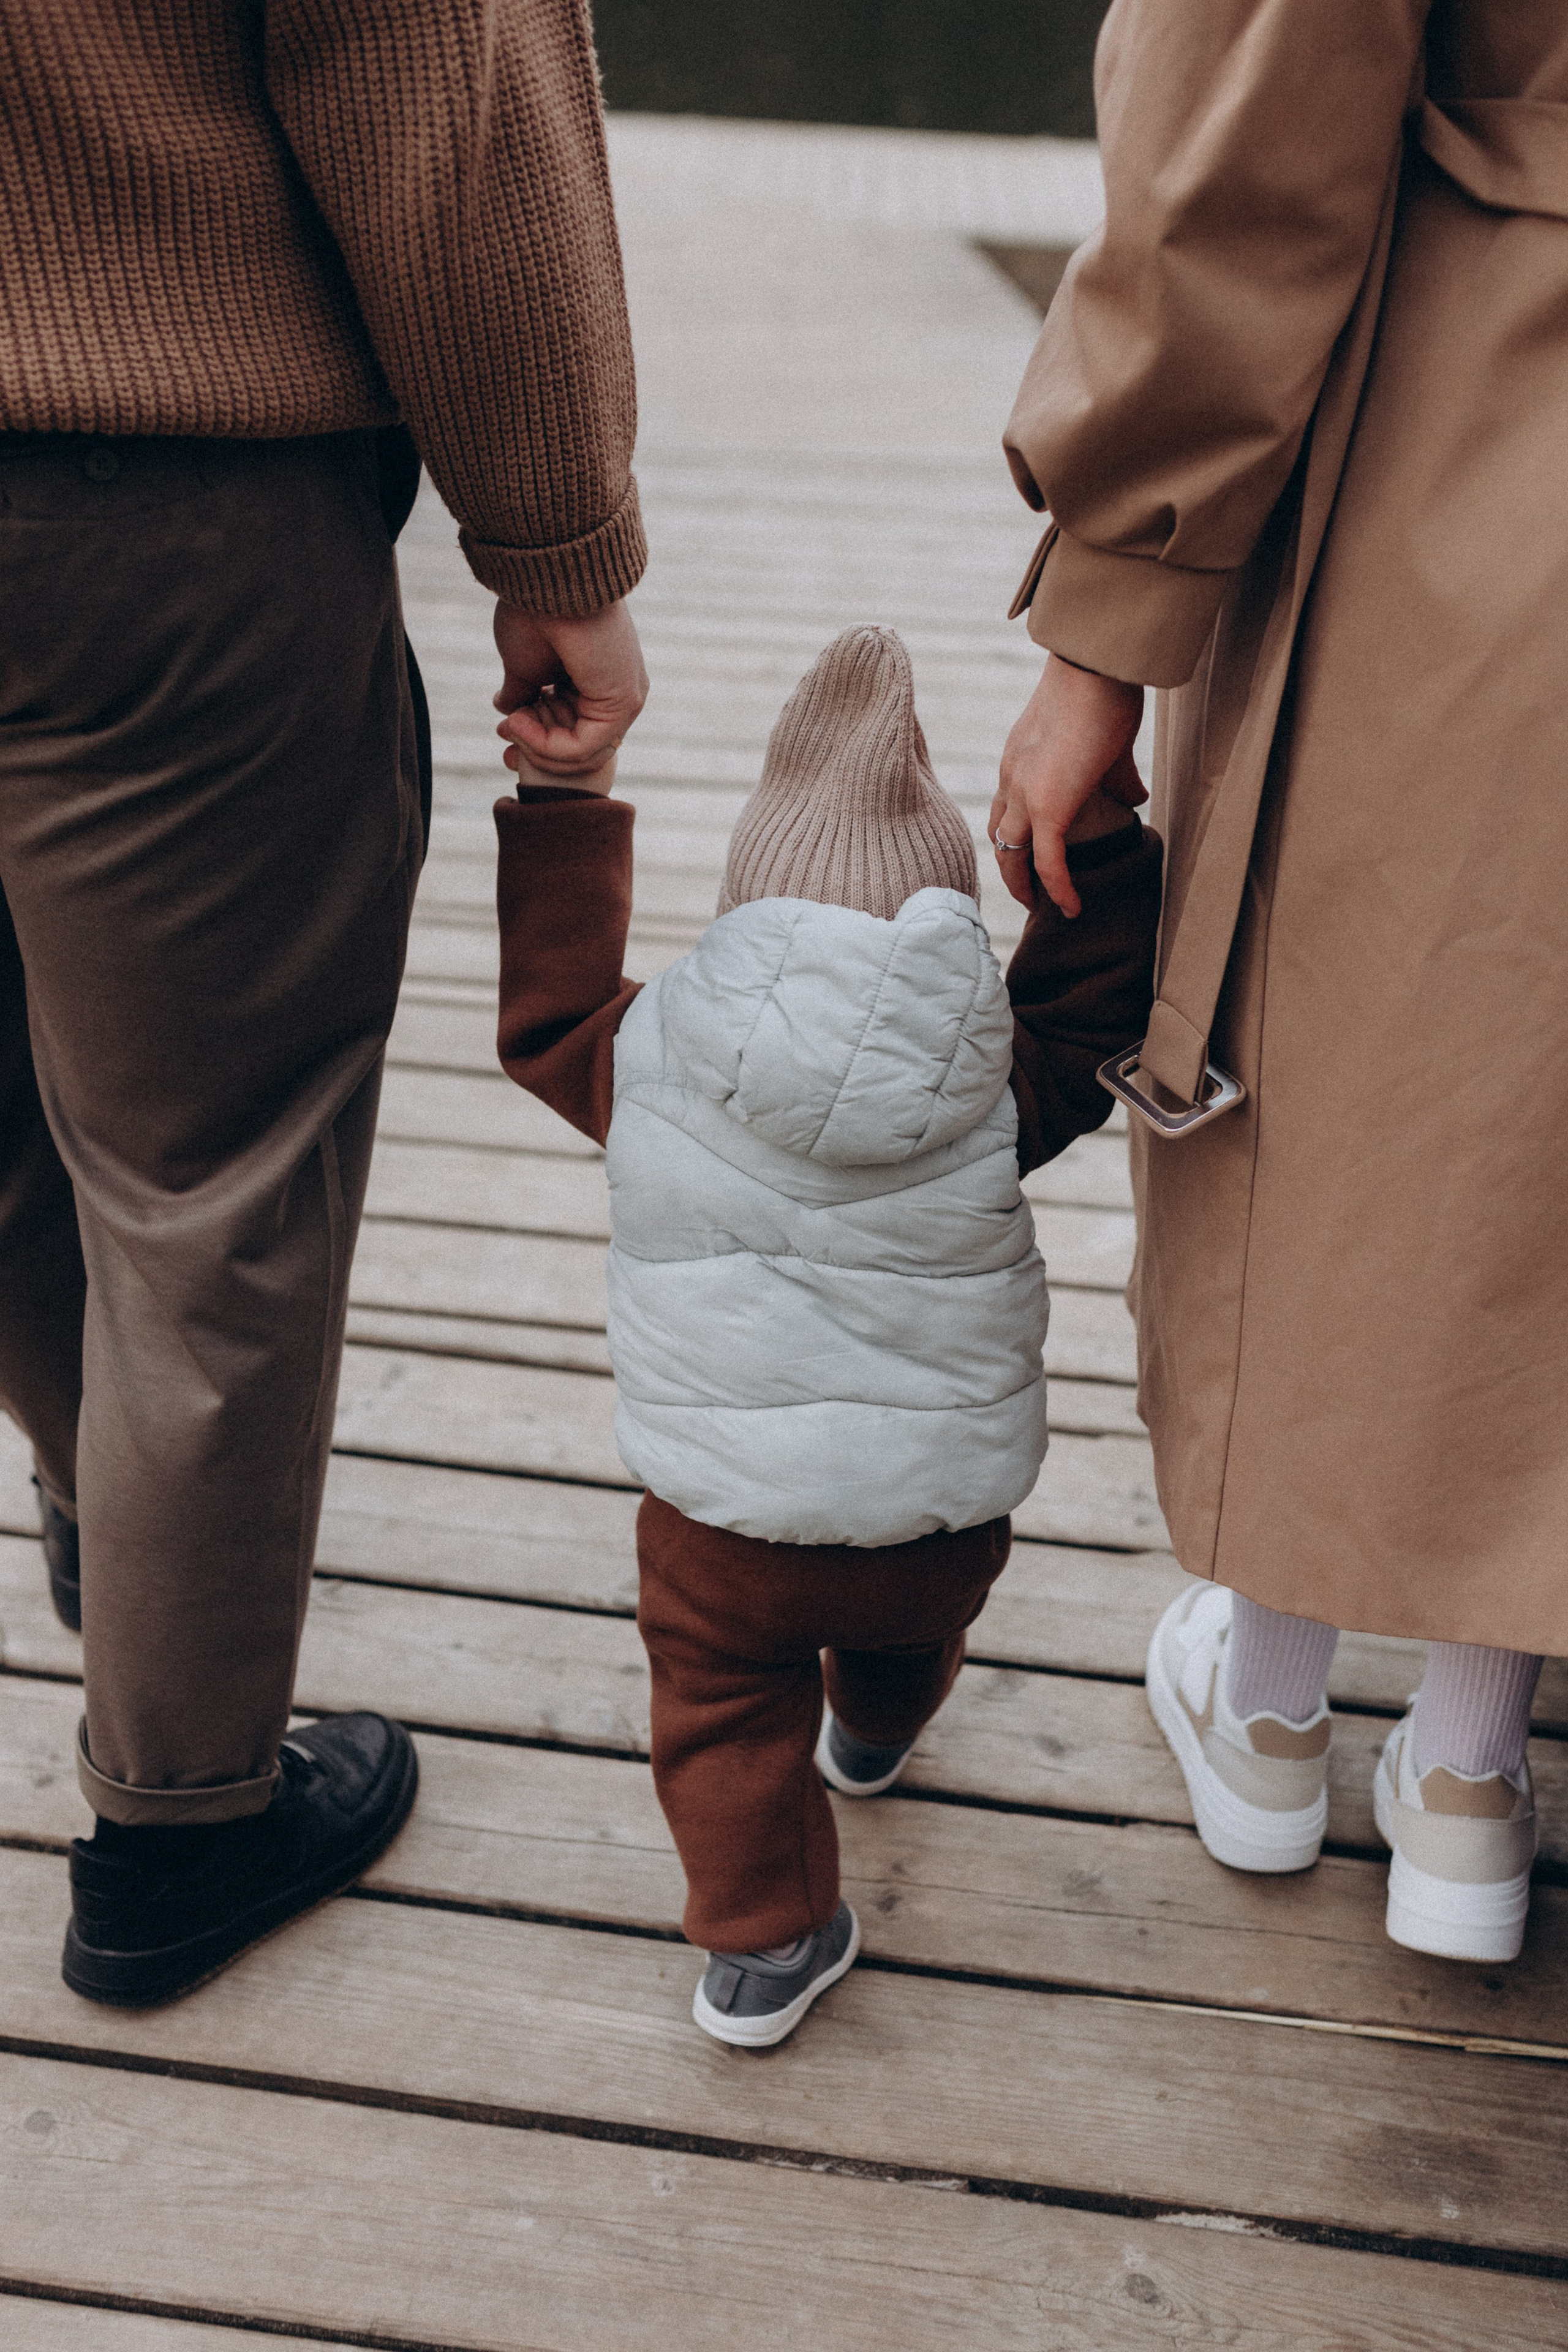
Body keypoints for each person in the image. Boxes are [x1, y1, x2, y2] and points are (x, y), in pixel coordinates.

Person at [0, 1, 648, 2007]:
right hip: (160, 508)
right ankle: (185, 1817)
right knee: (212, 1165)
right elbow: (440, 95)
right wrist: (558, 539)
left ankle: (135, 1542)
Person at [990, 0, 1566, 1962]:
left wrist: (1101, 627)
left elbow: (1251, 124)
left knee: (1368, 1048)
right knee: (1536, 1090)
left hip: (1468, 414)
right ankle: (1474, 1776)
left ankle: (1268, 1709)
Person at [491, 625, 1160, 2043]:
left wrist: (569, 796)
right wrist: (1093, 827)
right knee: (901, 1638)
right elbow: (1091, 1009)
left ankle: (763, 1945)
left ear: (744, 914)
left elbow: (544, 1011)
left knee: (724, 1723)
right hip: (934, 1532)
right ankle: (875, 1728)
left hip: (721, 1534)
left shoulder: (648, 1047)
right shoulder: (992, 1079)